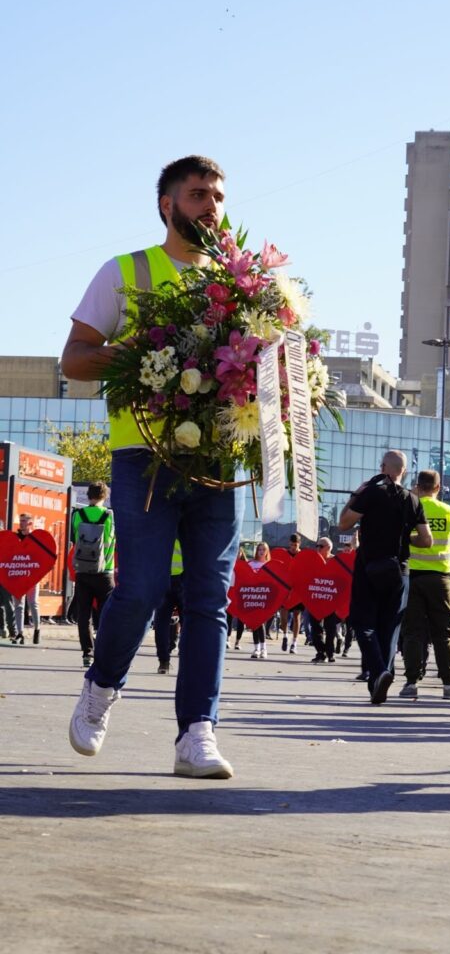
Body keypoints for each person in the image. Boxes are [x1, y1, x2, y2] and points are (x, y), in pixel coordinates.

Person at [62, 155, 245, 779]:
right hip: (144, 459)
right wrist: (137, 352)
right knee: (140, 588)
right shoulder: (126, 272)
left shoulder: (242, 284)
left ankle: (197, 733)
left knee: (209, 598)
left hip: (219, 461)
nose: (211, 206)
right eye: (197, 195)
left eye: (218, 196)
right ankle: (101, 688)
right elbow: (74, 360)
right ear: (167, 205)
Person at [338, 450, 432, 705]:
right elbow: (426, 540)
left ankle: (379, 671)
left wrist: (356, 494)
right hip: (400, 570)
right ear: (404, 471)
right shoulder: (413, 500)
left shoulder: (371, 493)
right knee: (390, 628)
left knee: (362, 622)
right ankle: (379, 683)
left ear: (383, 468)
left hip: (369, 566)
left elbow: (344, 523)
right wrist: (405, 540)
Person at [399, 469, 450, 700]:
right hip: (440, 578)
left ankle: (411, 682)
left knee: (413, 632)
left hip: (413, 575)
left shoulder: (410, 506)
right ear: (438, 487)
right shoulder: (448, 510)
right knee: (444, 633)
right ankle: (449, 684)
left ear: (418, 485)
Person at [71, 482, 116, 668]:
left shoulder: (77, 514)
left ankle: (87, 653)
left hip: (82, 570)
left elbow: (74, 539)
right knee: (107, 614)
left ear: (89, 495)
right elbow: (112, 540)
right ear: (104, 496)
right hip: (105, 571)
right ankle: (104, 651)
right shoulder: (109, 515)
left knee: (84, 614)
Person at [153, 539, 184, 674]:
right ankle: (187, 660)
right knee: (189, 623)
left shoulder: (161, 529)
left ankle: (163, 662)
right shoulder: (188, 529)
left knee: (161, 623)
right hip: (184, 578)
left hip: (163, 577)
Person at [308, 537, 340, 663]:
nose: (318, 548)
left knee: (330, 628)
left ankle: (330, 653)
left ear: (329, 548)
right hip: (315, 599)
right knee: (315, 628)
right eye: (317, 545)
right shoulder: (313, 561)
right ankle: (321, 652)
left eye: (320, 546)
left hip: (331, 599)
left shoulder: (336, 561)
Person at [11, 514, 41, 645]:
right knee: (18, 605)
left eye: (24, 521)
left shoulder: (36, 538)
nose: (21, 523)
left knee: (33, 603)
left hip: (32, 576)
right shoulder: (15, 538)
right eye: (20, 521)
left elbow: (42, 557)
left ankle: (37, 629)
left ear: (30, 523)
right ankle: (20, 633)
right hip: (18, 575)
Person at [249, 541, 271, 659]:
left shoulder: (269, 565)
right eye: (259, 549)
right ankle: (256, 648)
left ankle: (263, 648)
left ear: (267, 551)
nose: (261, 552)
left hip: (264, 597)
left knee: (261, 622)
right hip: (252, 596)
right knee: (254, 623)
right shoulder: (251, 564)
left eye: (264, 549)